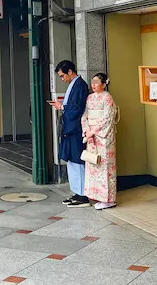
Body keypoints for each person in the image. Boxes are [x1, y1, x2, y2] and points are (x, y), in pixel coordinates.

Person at [50, 60, 90, 207]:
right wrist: (63, 106)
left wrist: (62, 107)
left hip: (75, 129)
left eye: (62, 76)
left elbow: (76, 108)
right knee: (72, 161)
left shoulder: (80, 85)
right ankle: (77, 192)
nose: (62, 79)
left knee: (77, 161)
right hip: (71, 129)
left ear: (70, 72)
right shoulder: (75, 85)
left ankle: (83, 194)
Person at [81, 73, 120, 210]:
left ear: (104, 84)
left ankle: (109, 199)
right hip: (92, 137)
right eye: (92, 82)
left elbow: (108, 117)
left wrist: (94, 131)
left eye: (97, 82)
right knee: (93, 164)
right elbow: (85, 115)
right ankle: (96, 196)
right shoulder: (90, 98)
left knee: (105, 167)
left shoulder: (107, 98)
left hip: (104, 138)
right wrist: (87, 130)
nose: (94, 84)